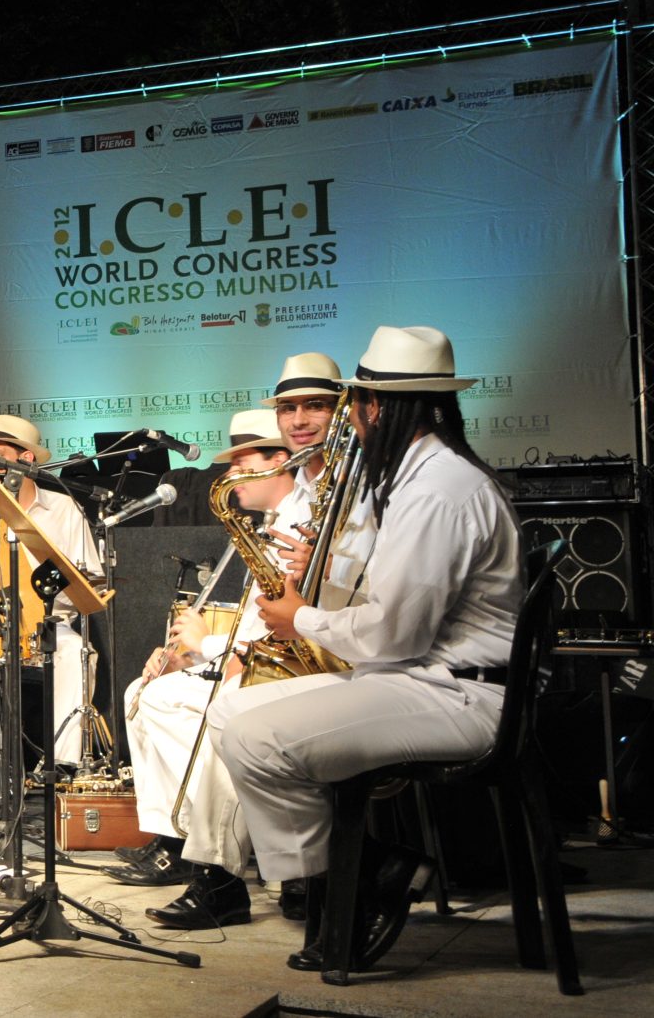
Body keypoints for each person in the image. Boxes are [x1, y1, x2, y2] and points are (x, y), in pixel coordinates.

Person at [213, 325, 520, 972]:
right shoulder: (427, 474)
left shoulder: (437, 487)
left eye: (353, 402)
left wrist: (304, 618)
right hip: (427, 677)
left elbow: (392, 633)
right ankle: (356, 880)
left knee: (254, 739)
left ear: (377, 406)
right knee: (234, 718)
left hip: (457, 691)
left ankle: (363, 882)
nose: (350, 416)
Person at [107, 408, 299, 923]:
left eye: (241, 462)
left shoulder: (300, 526)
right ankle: (177, 837)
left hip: (280, 670)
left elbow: (289, 624)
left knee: (209, 709)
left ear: (277, 462)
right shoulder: (265, 525)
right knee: (142, 694)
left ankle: (219, 868)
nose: (229, 474)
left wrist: (209, 646)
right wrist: (190, 652)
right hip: (251, 658)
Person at [0, 413, 103, 768]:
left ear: (26, 458)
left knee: (78, 653)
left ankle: (63, 766)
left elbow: (87, 583)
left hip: (47, 625)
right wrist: (1, 596)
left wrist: (36, 596)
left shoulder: (65, 510)